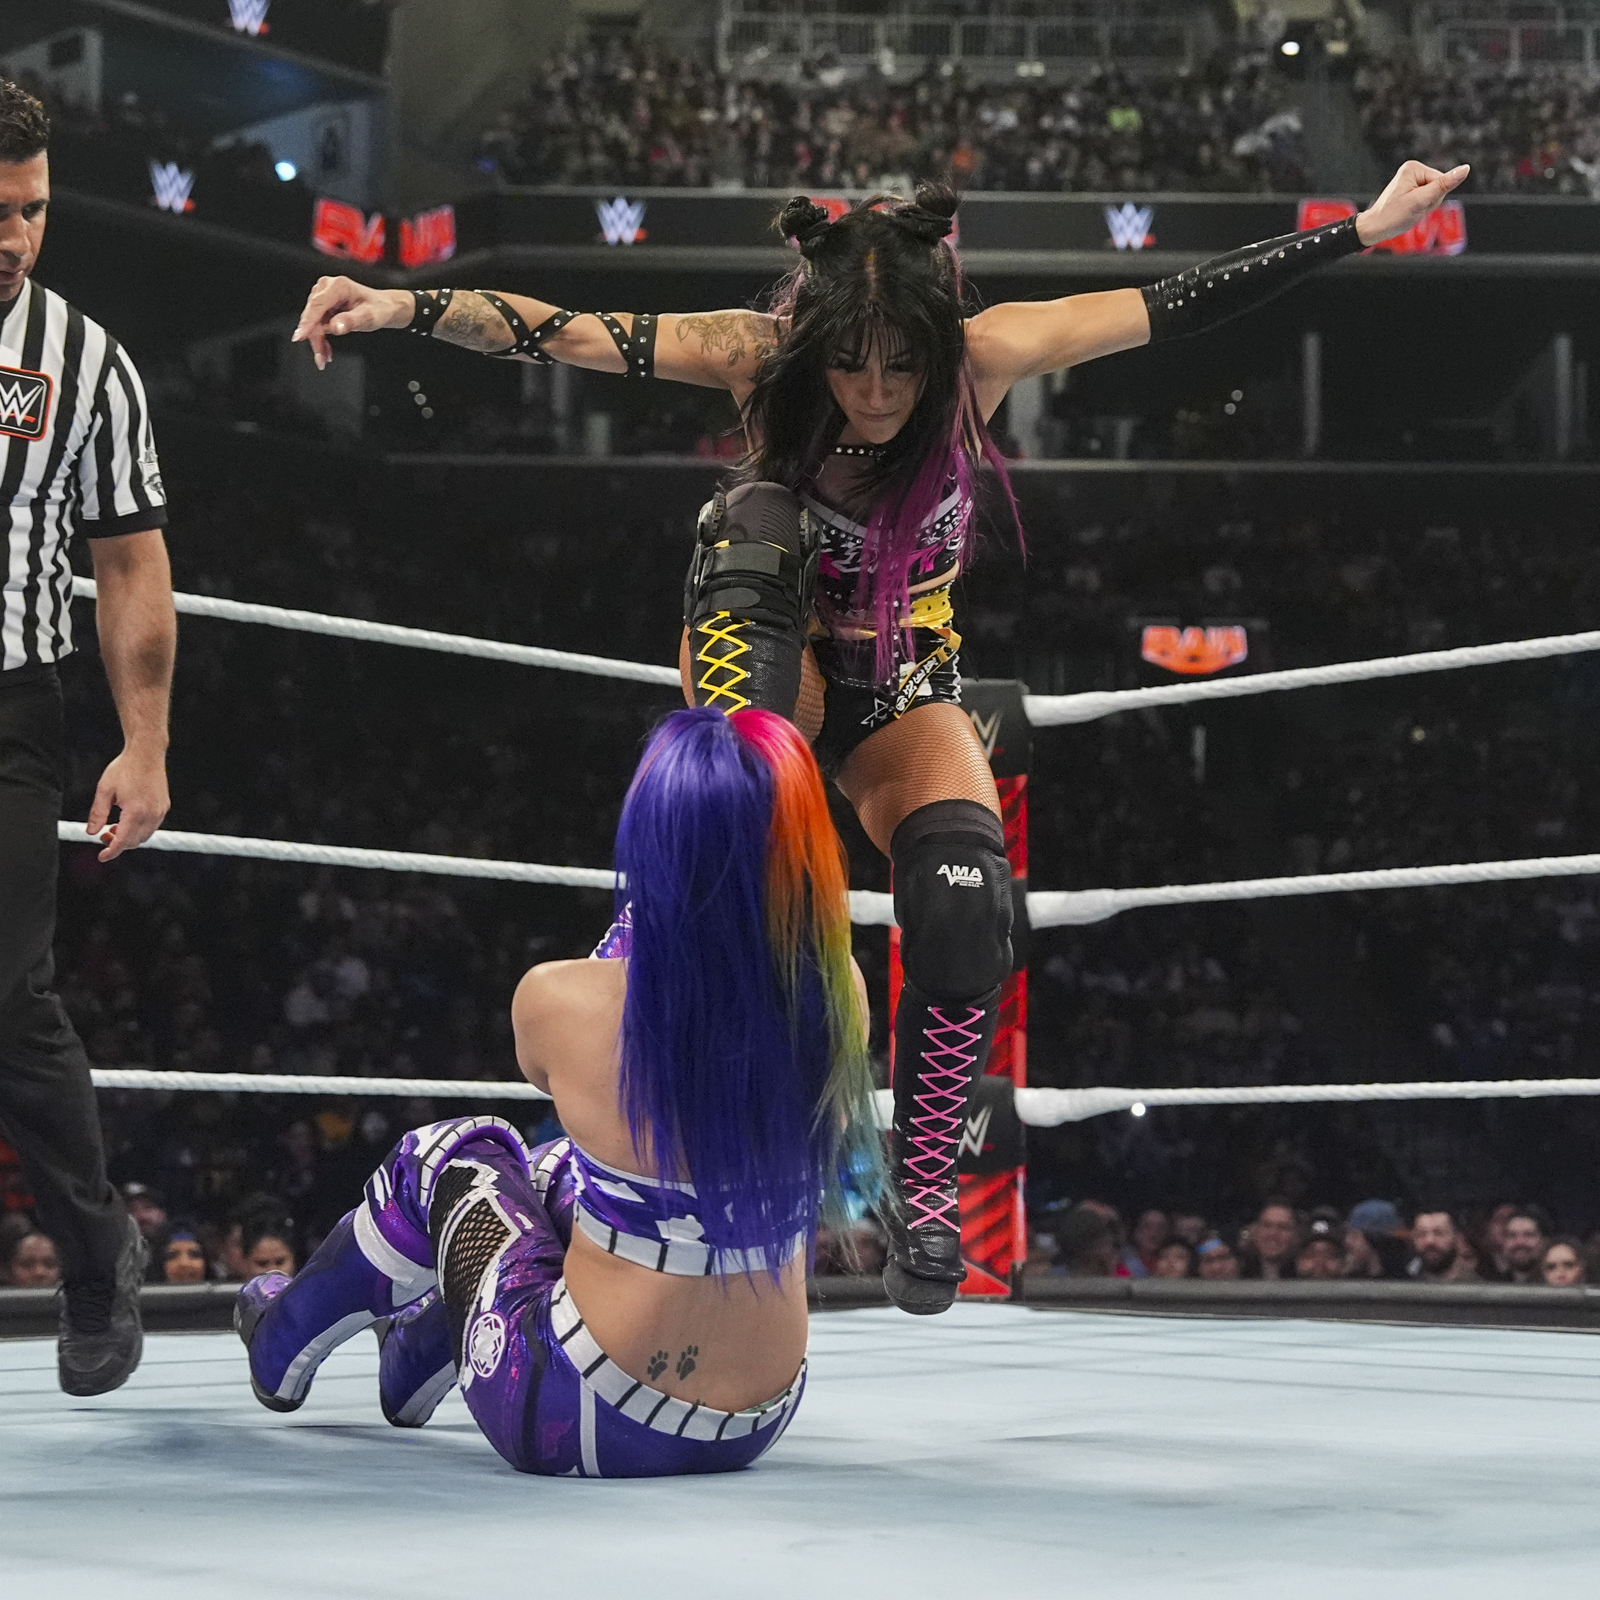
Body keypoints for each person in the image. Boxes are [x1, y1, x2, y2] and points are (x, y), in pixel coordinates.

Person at [293, 156, 1466, 1315]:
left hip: (902, 682)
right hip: (772, 652)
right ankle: (648, 934)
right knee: (751, 533)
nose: (873, 389)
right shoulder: (758, 359)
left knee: (964, 904)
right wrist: (394, 305)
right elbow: (565, 333)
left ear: (935, 345)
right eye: (849, 362)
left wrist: (1360, 228)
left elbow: (1175, 302)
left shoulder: (984, 357)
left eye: (900, 363)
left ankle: (924, 1185)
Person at [236, 708, 881, 1477]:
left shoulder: (563, 999)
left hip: (581, 1411)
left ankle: (283, 1342)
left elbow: (556, 1071)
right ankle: (417, 1352)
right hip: (757, 1418)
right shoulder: (842, 991)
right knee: (559, 1171)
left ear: (654, 837)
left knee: (453, 1156)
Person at [0, 80, 175, 1394]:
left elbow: (130, 566)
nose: (13, 235)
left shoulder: (88, 360)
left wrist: (145, 742)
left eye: (32, 209)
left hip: (11, 706)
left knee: (6, 993)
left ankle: (97, 1247)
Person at [1408, 1209, 1480, 1284]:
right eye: (1421, 1234)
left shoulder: (1475, 1286)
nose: (1429, 1241)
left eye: (1439, 1233)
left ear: (1456, 1237)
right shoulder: (1405, 1280)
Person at [1240, 1199, 1300, 1279]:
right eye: (1267, 1226)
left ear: (1295, 1235)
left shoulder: (1304, 1274)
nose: (1273, 1234)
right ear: (1255, 1231)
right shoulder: (1238, 1272)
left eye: (1283, 1227)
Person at [1499, 1207, 1551, 1285]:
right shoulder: (1491, 1283)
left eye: (1528, 1234)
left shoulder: (1555, 1284)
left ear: (1544, 1241)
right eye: (1512, 1235)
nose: (1519, 1242)